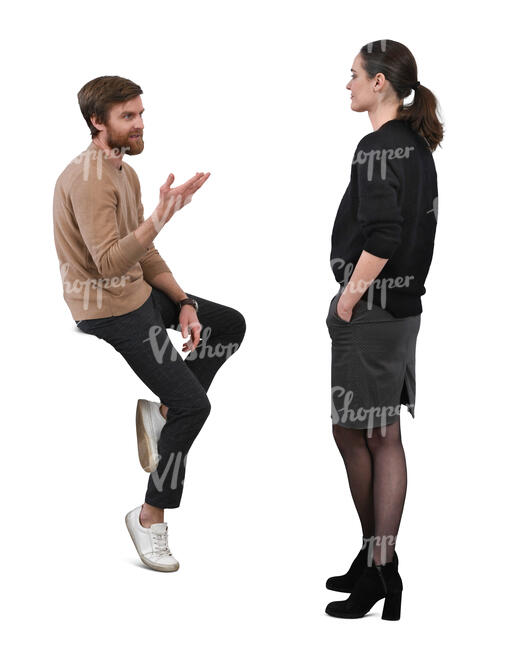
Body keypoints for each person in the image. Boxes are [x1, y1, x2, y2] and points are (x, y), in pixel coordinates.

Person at [53, 76, 246, 572]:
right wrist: (161, 215)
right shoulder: (90, 178)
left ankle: (163, 415)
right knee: (195, 405)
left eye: (140, 113)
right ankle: (149, 516)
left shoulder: (123, 172)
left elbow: (144, 252)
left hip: (136, 292)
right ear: (97, 122)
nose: (139, 124)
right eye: (127, 117)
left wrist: (181, 300)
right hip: (106, 308)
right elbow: (111, 263)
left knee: (227, 324)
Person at [324, 40, 443, 619]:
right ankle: (373, 558)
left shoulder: (377, 144)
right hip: (401, 311)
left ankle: (381, 569)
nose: (346, 85)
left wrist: (347, 300)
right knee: (375, 433)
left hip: (371, 312)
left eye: (353, 77)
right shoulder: (417, 145)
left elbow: (384, 236)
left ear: (379, 84)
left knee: (366, 434)